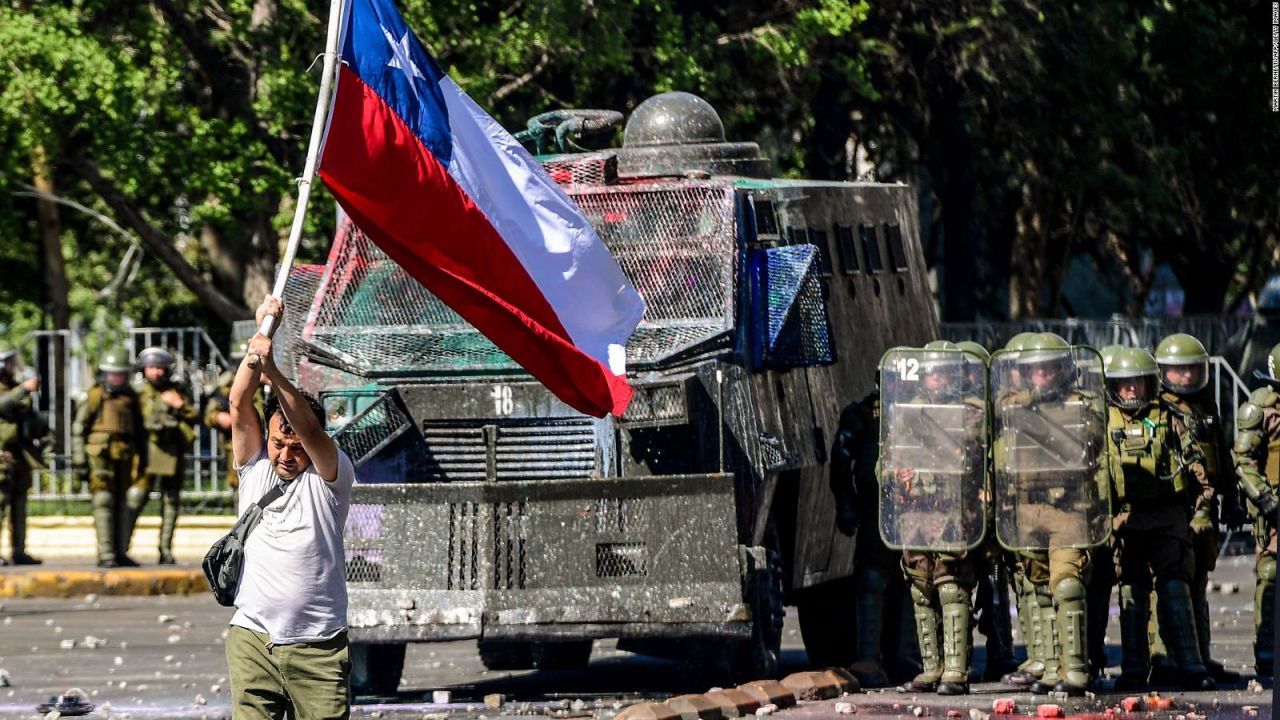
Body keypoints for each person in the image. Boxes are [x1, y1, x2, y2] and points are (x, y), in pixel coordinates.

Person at [226, 295, 354, 719]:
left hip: (317, 647)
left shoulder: (329, 475)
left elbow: (309, 430)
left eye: (295, 448)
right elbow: (238, 406)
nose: (285, 455)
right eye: (278, 443)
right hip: (253, 640)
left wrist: (274, 370)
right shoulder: (255, 469)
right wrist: (262, 335)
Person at [993, 333, 1110, 695]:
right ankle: (1047, 669)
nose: (1042, 373)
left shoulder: (1083, 403)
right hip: (1027, 510)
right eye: (1034, 368)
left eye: (1050, 367)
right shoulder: (1012, 405)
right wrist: (1033, 400)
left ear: (1064, 369)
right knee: (1039, 590)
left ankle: (1075, 671)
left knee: (1068, 585)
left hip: (1069, 509)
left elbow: (1094, 441)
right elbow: (999, 412)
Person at [1104, 347, 1214, 690]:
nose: (1132, 390)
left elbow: (1196, 468)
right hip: (1126, 521)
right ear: (1114, 387)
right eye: (1125, 384)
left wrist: (1201, 512)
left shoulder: (1170, 417)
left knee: (1175, 587)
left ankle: (1192, 665)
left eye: (1138, 382)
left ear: (1150, 383)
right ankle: (1134, 669)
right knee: (1132, 594)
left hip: (1167, 518)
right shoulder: (1104, 422)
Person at [884, 341, 986, 695]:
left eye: (944, 372)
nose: (937, 379)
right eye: (932, 373)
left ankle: (956, 670)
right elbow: (888, 458)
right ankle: (931, 668)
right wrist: (896, 473)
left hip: (953, 511)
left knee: (952, 585)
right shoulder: (904, 413)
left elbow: (973, 454)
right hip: (916, 511)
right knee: (921, 588)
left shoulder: (971, 411)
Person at [1150, 333, 1240, 683]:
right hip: (1180, 505)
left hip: (1208, 504)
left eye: (1191, 371)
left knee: (1199, 580)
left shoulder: (1206, 407)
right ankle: (1163, 656)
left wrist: (1230, 498)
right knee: (1173, 579)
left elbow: (1223, 456)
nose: (1186, 378)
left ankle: (1201, 653)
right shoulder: (1159, 408)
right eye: (1178, 371)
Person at [832, 375, 914, 687]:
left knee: (915, 581)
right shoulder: (864, 414)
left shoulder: (920, 409)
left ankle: (908, 655)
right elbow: (841, 461)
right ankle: (868, 656)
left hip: (915, 509)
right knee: (872, 580)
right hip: (876, 509)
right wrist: (846, 504)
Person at [956, 340, 1019, 681]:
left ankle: (1001, 652)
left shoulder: (999, 413)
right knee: (957, 590)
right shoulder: (948, 412)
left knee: (995, 587)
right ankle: (958, 661)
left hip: (993, 520)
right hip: (961, 518)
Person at [73, 346, 147, 568]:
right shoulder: (95, 395)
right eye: (112, 374)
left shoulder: (131, 397)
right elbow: (78, 428)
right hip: (100, 458)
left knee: (124, 503)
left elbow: (140, 430)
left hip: (125, 457)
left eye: (121, 374)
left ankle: (121, 552)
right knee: (103, 501)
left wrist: (144, 459)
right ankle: (106, 554)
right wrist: (79, 459)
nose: (116, 378)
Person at [1232, 340, 1280, 677]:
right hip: (1274, 506)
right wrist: (1264, 498)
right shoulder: (1262, 409)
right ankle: (1268, 654)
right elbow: (1243, 459)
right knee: (1271, 575)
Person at [125, 347, 197, 564]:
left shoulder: (178, 390)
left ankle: (165, 549)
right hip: (146, 452)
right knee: (135, 498)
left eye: (160, 368)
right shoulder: (137, 393)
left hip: (173, 452)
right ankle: (122, 548)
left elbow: (195, 416)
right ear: (144, 369)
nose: (156, 372)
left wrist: (179, 404)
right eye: (151, 368)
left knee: (171, 501)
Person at [0, 342, 47, 565]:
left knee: (19, 506)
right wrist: (24, 389)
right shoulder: (14, 390)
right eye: (9, 361)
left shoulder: (13, 386)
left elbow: (28, 416)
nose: (12, 366)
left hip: (18, 455)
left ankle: (19, 550)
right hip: (1, 455)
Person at [204, 340, 266, 499]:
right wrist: (218, 417)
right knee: (240, 486)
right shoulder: (227, 385)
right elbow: (209, 413)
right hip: (239, 445)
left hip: (271, 442)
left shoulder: (268, 383)